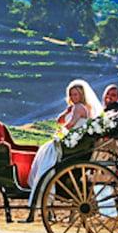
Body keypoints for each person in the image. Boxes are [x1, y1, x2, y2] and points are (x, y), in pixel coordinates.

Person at [27, 79, 103, 207]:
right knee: (46, 150)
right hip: (74, 143)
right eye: (71, 95)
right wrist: (67, 111)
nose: (73, 97)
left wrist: (59, 135)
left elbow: (70, 124)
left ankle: (43, 185)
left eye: (76, 94)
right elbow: (60, 121)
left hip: (71, 144)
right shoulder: (82, 108)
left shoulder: (79, 107)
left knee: (46, 151)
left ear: (82, 95)